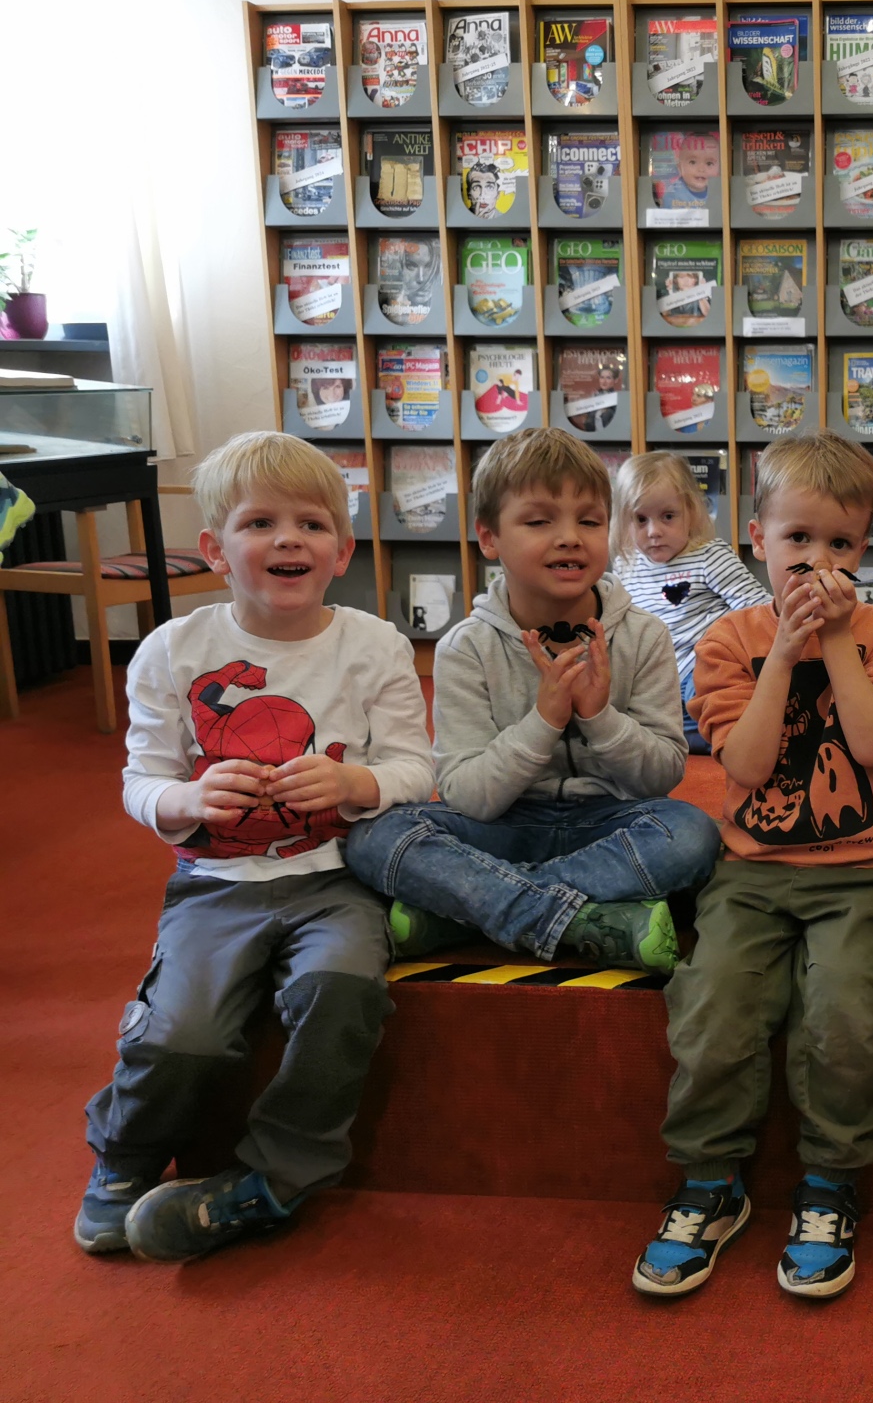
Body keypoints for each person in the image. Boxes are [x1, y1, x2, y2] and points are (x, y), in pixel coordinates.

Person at [75, 431, 434, 1262]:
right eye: (259, 523)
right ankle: (124, 1157)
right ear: (215, 549)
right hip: (215, 881)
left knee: (341, 992)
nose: (287, 540)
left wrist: (355, 786)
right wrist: (189, 798)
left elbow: (418, 767)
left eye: (311, 524)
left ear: (340, 552)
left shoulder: (374, 644)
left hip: (339, 879)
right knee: (182, 1033)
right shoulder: (171, 651)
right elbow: (140, 780)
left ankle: (280, 1170)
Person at [634, 432, 873, 1301]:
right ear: (755, 537)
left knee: (841, 1011)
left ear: (863, 552)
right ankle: (708, 1180)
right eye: (798, 539)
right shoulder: (728, 640)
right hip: (756, 872)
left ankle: (830, 1183)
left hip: (867, 871)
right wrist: (786, 655)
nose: (817, 561)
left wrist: (836, 643)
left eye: (840, 544)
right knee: (714, 999)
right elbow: (751, 766)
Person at [344, 428, 720, 967]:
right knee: (377, 836)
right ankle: (582, 918)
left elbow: (661, 777)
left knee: (691, 834)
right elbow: (467, 797)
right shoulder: (465, 647)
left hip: (609, 823)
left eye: (589, 521)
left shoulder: (643, 636)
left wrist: (599, 717)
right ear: (490, 537)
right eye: (540, 521)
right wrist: (543, 722)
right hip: (501, 827)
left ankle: (467, 911)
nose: (569, 537)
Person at [610, 450, 769, 754]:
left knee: (711, 689)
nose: (654, 531)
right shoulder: (626, 566)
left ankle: (729, 731)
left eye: (668, 516)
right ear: (624, 521)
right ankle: (703, 736)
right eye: (640, 519)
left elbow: (756, 608)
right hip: (658, 680)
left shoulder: (708, 555)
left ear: (691, 512)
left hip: (705, 669)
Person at [654, 131, 719, 210]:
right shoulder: (673, 194)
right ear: (680, 167)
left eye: (709, 163)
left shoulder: (718, 192)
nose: (701, 169)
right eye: (693, 162)